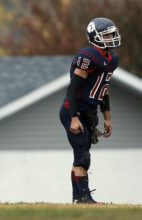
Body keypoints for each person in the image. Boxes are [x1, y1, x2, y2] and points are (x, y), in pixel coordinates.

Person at [59, 17, 121, 204]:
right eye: (108, 34)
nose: (112, 37)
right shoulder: (88, 57)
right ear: (96, 37)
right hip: (74, 110)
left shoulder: (112, 59)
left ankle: (78, 198)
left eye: (113, 33)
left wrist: (107, 119)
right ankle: (83, 197)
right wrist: (74, 118)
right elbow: (73, 89)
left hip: (89, 111)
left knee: (82, 152)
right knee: (82, 156)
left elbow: (104, 89)